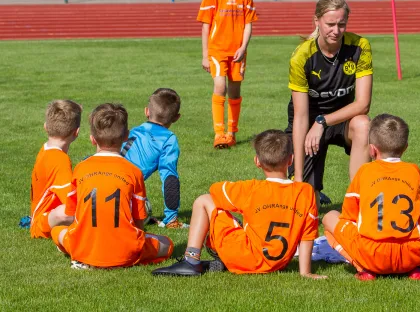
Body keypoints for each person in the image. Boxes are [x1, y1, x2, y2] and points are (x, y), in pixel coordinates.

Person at [151, 129, 326, 279]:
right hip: (277, 264)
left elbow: (215, 190)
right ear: (291, 160)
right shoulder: (306, 192)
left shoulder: (251, 189)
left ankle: (191, 260)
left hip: (246, 255)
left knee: (203, 200)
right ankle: (223, 257)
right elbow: (307, 235)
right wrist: (305, 272)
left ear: (257, 162)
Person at [51, 103, 174, 269]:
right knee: (167, 244)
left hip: (83, 248)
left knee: (57, 231)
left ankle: (82, 257)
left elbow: (73, 215)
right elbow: (139, 223)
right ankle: (117, 254)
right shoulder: (134, 172)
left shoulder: (80, 169)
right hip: (126, 251)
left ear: (92, 138)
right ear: (126, 137)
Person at [323, 114, 420, 281]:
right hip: (410, 254)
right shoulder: (414, 171)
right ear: (405, 148)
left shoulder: (364, 172)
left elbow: (349, 216)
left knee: (329, 218)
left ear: (372, 149)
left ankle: (363, 267)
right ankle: (418, 267)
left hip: (372, 254)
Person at [286, 0, 372, 207]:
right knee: (307, 204)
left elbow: (363, 104)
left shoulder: (360, 46)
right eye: (330, 24)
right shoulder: (301, 57)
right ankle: (308, 188)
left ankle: (358, 200)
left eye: (342, 24)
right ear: (317, 21)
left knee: (364, 124)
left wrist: (323, 121)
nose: (336, 30)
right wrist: (299, 177)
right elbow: (300, 116)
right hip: (308, 125)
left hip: (341, 120)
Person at [197, 0, 258, 149]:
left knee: (234, 91)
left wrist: (243, 47)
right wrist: (205, 55)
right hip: (217, 51)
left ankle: (232, 133)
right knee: (220, 87)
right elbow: (206, 26)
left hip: (238, 52)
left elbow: (249, 25)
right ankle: (219, 133)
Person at [120, 88, 187, 229]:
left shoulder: (133, 131)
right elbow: (170, 180)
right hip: (122, 191)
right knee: (140, 205)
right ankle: (170, 221)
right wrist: (171, 217)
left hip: (101, 184)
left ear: (147, 111)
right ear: (176, 118)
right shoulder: (168, 140)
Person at [30, 100, 81, 239]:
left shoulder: (46, 149)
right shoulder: (59, 160)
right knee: (67, 212)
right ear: (76, 132)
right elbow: (71, 203)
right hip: (41, 224)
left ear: (46, 127)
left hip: (41, 217)